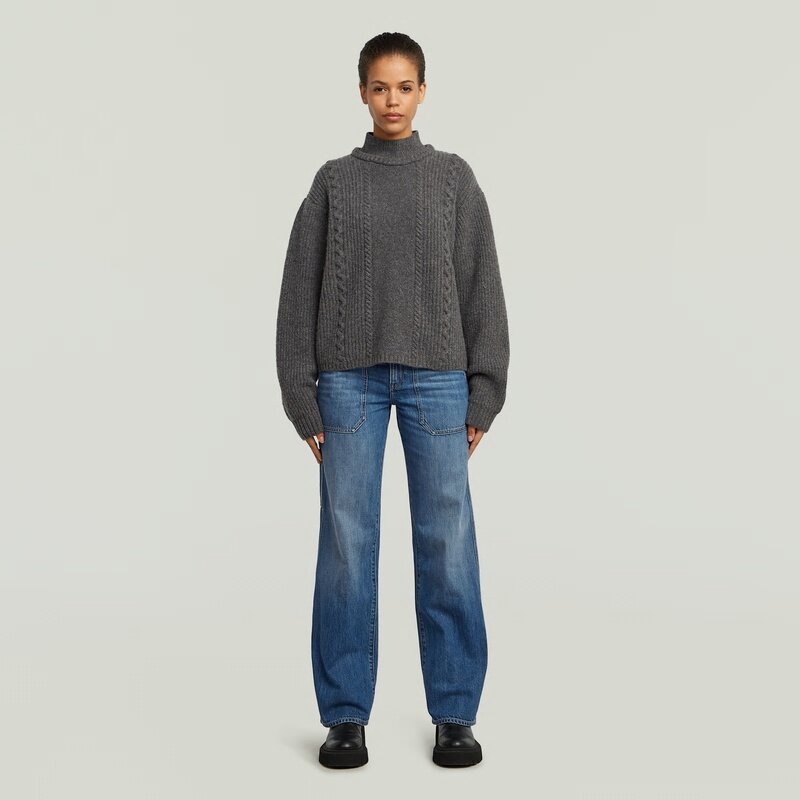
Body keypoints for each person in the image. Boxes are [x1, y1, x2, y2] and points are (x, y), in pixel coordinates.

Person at [275, 31, 510, 769]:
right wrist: (301, 395)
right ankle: (345, 716)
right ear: (361, 93)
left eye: (404, 87)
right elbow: (297, 290)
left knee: (447, 543)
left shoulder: (452, 179)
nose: (392, 100)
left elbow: (481, 284)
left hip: (439, 382)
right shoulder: (334, 183)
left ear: (423, 91)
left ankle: (455, 713)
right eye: (379, 87)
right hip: (348, 382)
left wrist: (484, 390)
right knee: (347, 547)